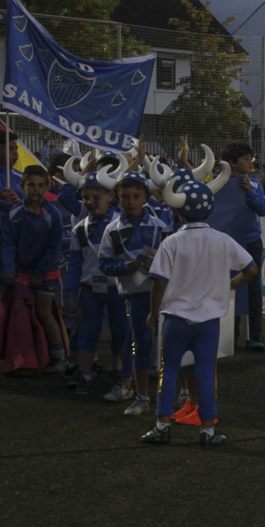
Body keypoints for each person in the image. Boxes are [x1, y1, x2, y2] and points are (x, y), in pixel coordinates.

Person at [140, 170, 257, 448]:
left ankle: (162, 426)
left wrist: (153, 312)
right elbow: (251, 268)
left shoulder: (172, 242)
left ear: (179, 213)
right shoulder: (222, 240)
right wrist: (233, 283)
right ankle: (207, 431)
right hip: (208, 322)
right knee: (206, 372)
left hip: (176, 319)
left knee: (168, 372)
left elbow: (159, 281)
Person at [99, 171, 171, 415]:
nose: (130, 201)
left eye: (136, 196)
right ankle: (142, 397)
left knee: (170, 344)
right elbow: (104, 263)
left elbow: (173, 260)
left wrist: (159, 267)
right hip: (136, 295)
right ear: (115, 198)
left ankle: (175, 394)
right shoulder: (111, 229)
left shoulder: (161, 226)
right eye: (125, 197)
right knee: (141, 344)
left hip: (164, 293)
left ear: (146, 197)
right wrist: (123, 267)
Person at [64, 167, 130, 397]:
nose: (90, 202)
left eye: (96, 197)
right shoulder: (79, 229)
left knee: (120, 332)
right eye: (85, 198)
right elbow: (74, 264)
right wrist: (71, 293)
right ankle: (85, 374)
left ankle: (119, 372)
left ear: (110, 197)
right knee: (87, 332)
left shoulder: (121, 225)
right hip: (90, 288)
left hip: (118, 289)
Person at [0, 164, 68, 373]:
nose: (36, 189)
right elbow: (7, 242)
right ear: (22, 186)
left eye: (40, 185)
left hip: (46, 272)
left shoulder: (52, 214)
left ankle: (59, 356)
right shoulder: (14, 213)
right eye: (31, 185)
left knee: (43, 312)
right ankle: (30, 356)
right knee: (21, 313)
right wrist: (9, 269)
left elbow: (55, 247)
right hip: (21, 272)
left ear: (48, 187)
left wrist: (39, 273)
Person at [223, 142, 265, 350]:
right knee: (228, 286)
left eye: (251, 158)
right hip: (228, 243)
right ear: (232, 162)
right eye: (245, 159)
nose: (251, 162)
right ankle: (230, 334)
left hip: (251, 243)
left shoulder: (255, 184)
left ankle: (255, 335)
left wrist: (250, 192)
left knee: (253, 287)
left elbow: (263, 209)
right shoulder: (220, 184)